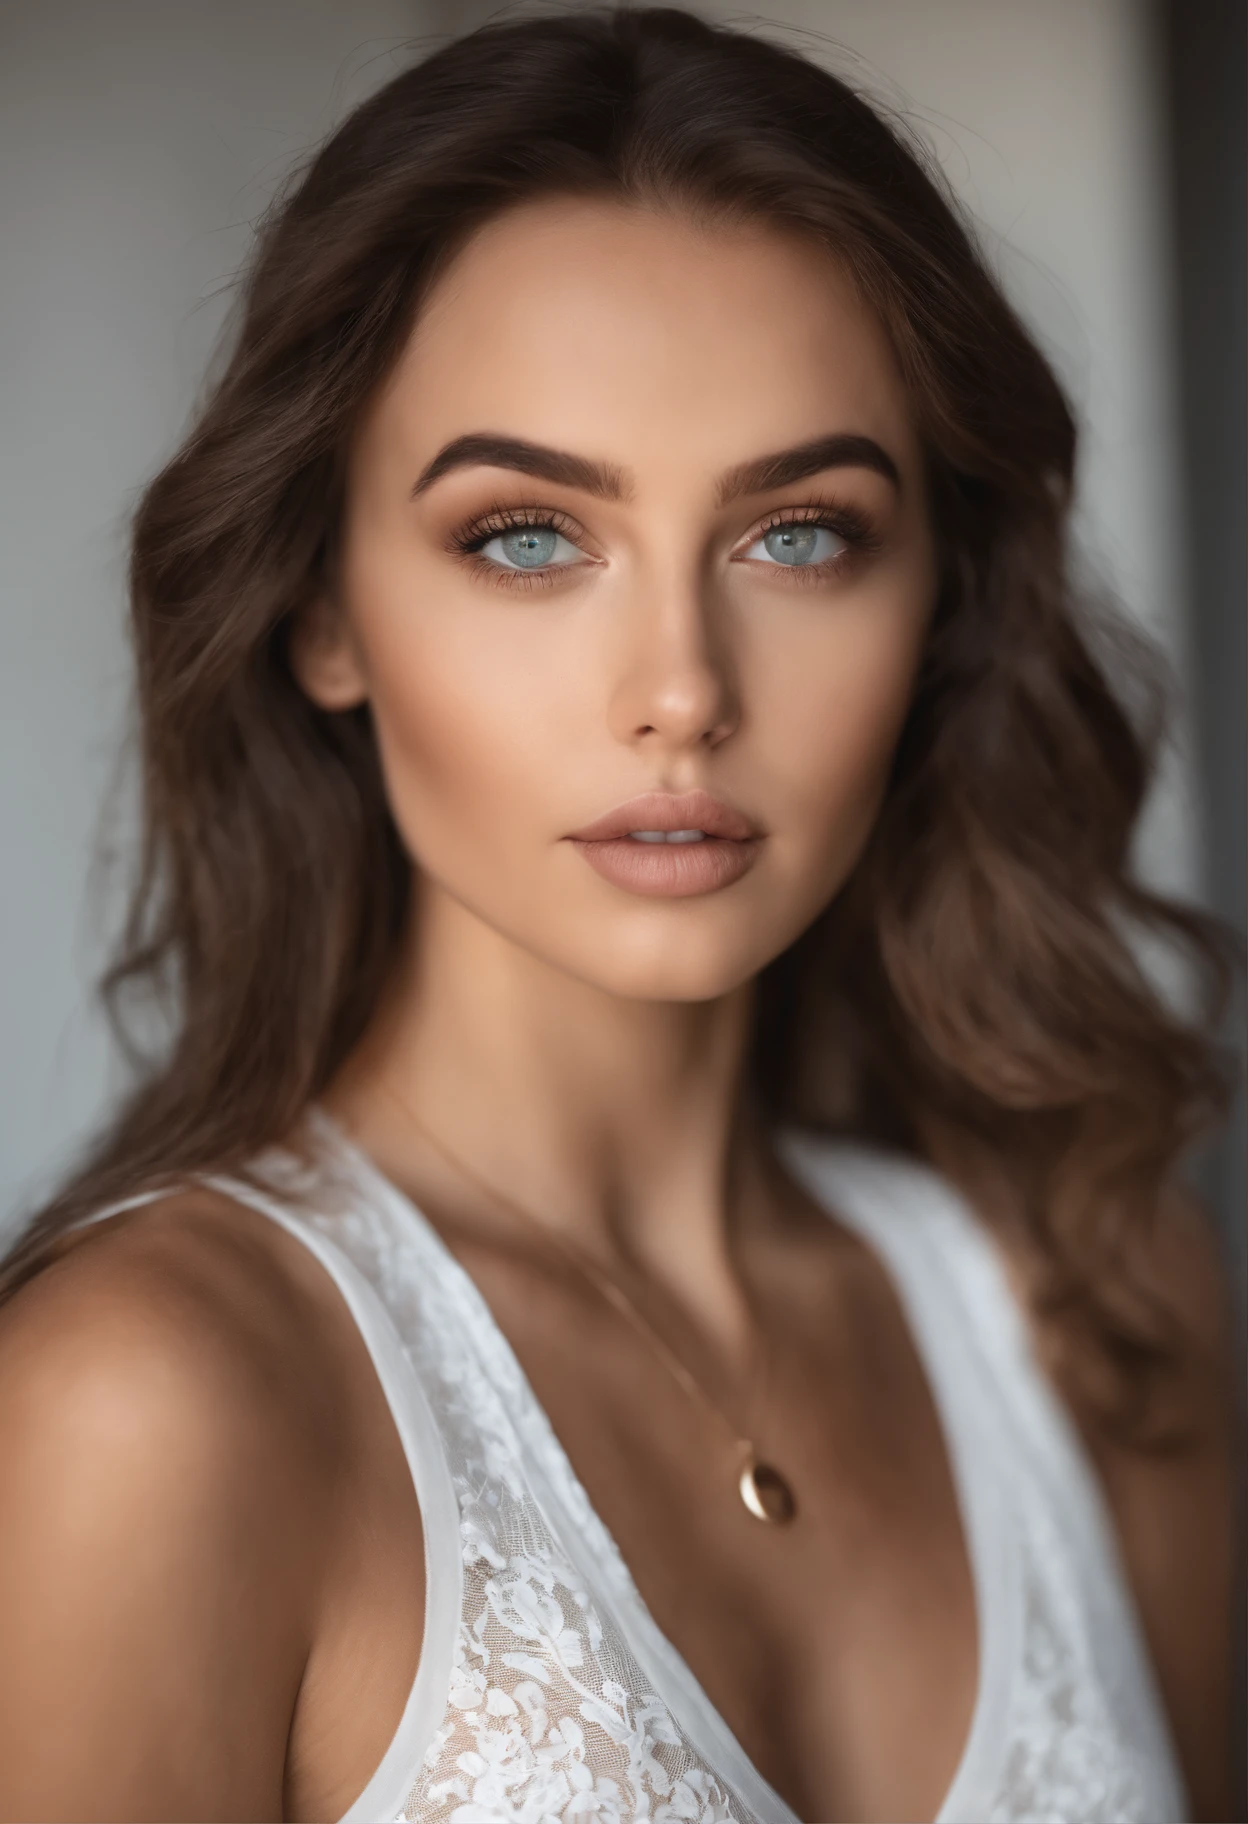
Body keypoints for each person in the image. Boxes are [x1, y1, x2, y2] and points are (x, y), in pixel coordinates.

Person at [0, 8, 1238, 1821]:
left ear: (939, 602)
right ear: (319, 616)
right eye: (525, 536)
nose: (680, 688)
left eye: (800, 532)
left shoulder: (1102, 1310)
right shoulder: (156, 1411)